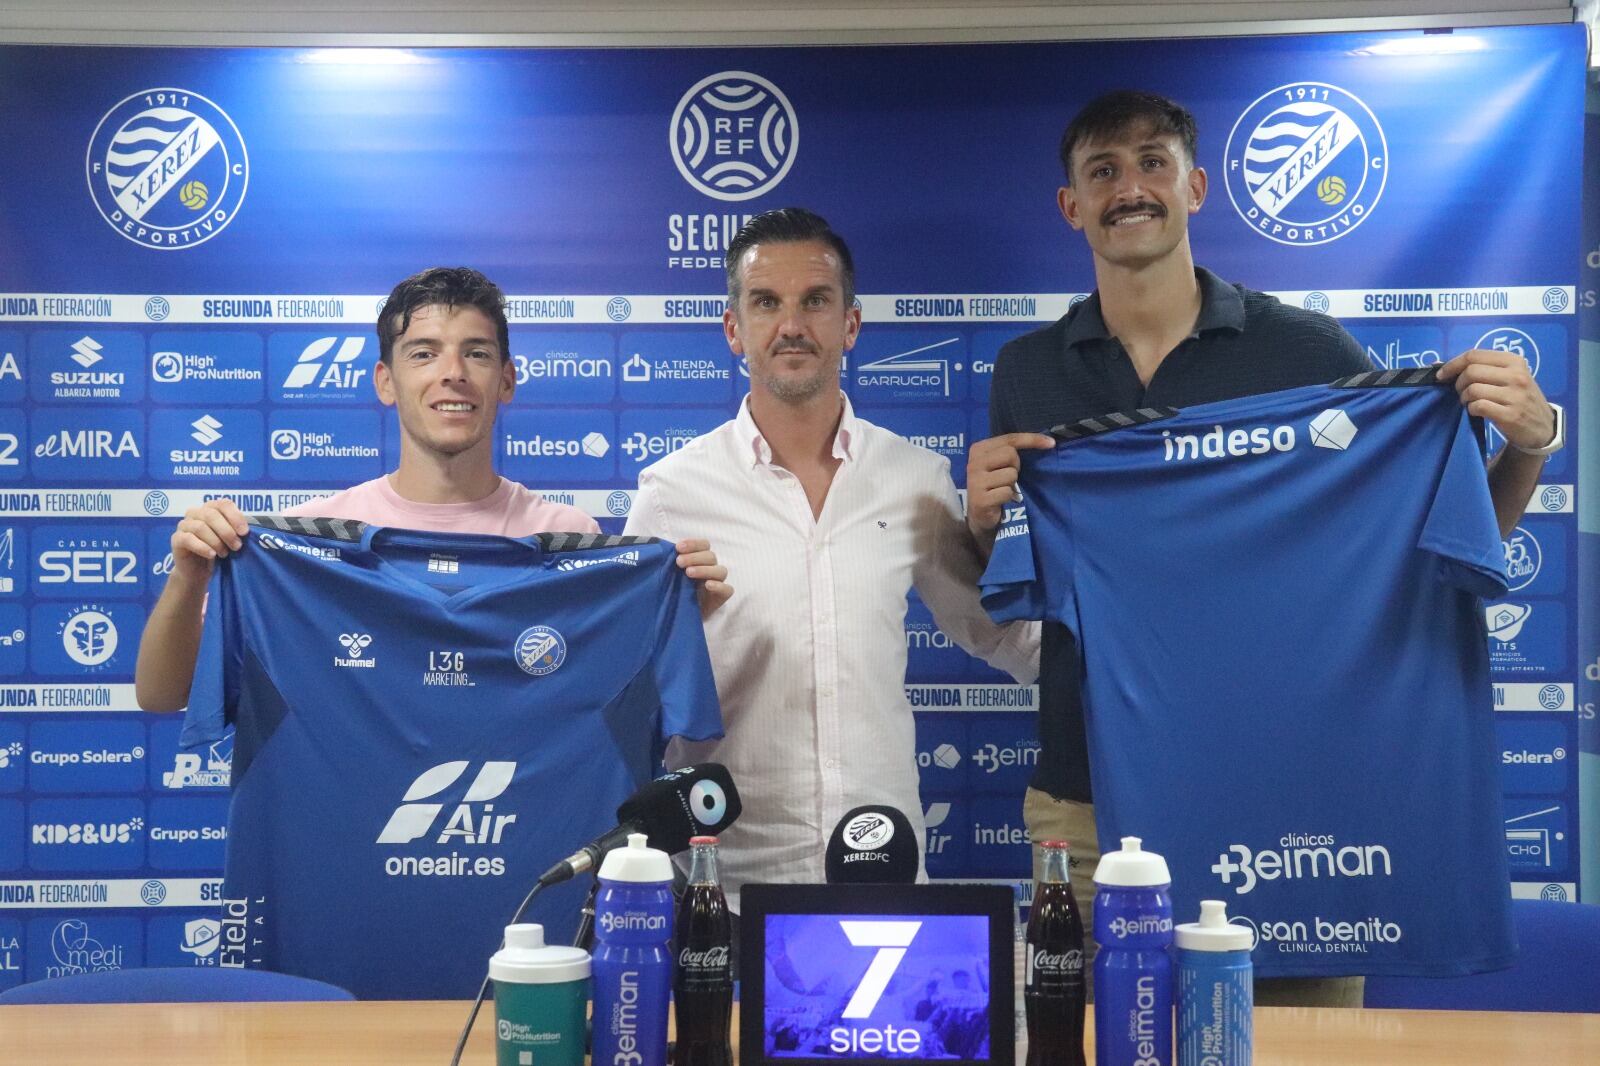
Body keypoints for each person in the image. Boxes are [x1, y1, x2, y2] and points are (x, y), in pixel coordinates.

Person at [965, 90, 1561, 1005]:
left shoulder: (1311, 351)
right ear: (1071, 204)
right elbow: (1019, 580)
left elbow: (1442, 556)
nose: (1131, 188)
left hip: (1296, 799)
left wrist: (1529, 444)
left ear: (1196, 186)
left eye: (1152, 163)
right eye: (1103, 172)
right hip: (1089, 800)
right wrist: (986, 521)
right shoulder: (1028, 371)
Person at [623, 208, 1038, 908]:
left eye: (815, 301)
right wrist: (672, 639)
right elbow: (623, 696)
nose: (792, 325)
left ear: (850, 324)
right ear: (734, 329)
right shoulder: (671, 495)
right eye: (766, 303)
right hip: (724, 887)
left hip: (882, 871)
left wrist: (1025, 567)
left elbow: (1006, 640)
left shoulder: (914, 477)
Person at [136, 265, 729, 712]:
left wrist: (677, 617)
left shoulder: (570, 538)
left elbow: (614, 707)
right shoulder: (302, 543)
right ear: (385, 382)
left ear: (507, 381)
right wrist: (189, 577)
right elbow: (162, 695)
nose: (453, 373)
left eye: (476, 353)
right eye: (424, 353)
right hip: (348, 863)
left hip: (523, 858)